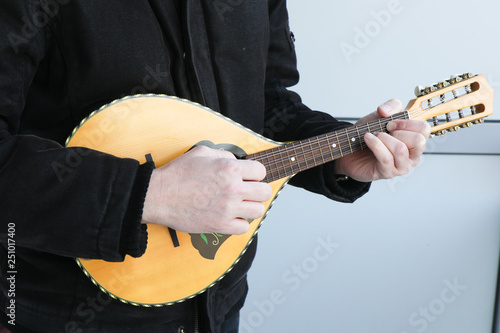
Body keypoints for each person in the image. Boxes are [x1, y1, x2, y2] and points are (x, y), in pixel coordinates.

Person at [0, 1, 430, 332]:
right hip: (55, 310)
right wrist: (149, 194)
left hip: (215, 304)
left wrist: (338, 153)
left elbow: (265, 104)